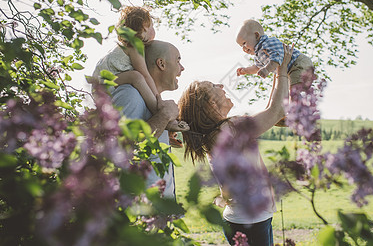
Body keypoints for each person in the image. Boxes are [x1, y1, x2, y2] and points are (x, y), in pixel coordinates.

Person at [178, 44, 294, 245]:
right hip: (251, 221)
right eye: (214, 87)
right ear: (210, 105)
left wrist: (277, 73)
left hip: (243, 219)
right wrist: (282, 69)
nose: (222, 87)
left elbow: (270, 110)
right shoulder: (232, 128)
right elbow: (275, 111)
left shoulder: (218, 133)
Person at [92, 6, 187, 135]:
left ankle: (163, 116)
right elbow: (145, 76)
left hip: (103, 85)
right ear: (144, 28)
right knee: (136, 77)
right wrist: (160, 104)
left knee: (136, 77)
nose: (154, 31)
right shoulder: (135, 46)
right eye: (152, 26)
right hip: (104, 84)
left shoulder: (129, 46)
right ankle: (158, 110)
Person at [111, 39, 186, 198]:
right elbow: (126, 151)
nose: (182, 68)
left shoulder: (154, 104)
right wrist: (164, 116)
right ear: (161, 64)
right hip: (139, 213)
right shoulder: (130, 94)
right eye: (178, 61)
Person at [236, 20, 314, 126]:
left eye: (244, 43)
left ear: (256, 35)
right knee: (280, 87)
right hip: (288, 70)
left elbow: (277, 57)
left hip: (298, 63)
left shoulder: (268, 43)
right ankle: (279, 112)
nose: (244, 48)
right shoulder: (258, 55)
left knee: (294, 89)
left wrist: (267, 69)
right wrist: (245, 70)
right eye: (241, 46)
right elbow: (256, 68)